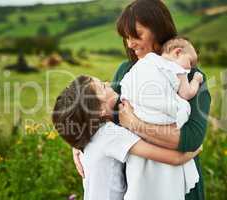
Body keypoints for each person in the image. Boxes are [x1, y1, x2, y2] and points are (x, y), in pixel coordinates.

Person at [73, 0, 211, 200]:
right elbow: (101, 109)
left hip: (182, 190)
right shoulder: (127, 70)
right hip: (138, 185)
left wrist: (134, 124)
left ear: (158, 30)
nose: (130, 43)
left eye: (136, 35)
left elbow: (190, 139)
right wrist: (79, 142)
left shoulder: (190, 77)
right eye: (126, 37)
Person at [52, 75, 201, 200]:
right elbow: (175, 159)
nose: (109, 84)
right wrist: (196, 146)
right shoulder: (110, 135)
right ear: (100, 110)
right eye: (103, 87)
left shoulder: (90, 134)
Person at [119, 37, 204, 199]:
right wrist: (196, 80)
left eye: (136, 35)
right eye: (190, 63)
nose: (191, 68)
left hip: (137, 117)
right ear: (178, 52)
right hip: (160, 121)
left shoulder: (146, 63)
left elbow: (123, 92)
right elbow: (186, 94)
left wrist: (133, 122)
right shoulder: (178, 70)